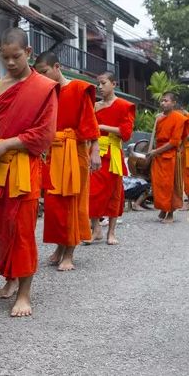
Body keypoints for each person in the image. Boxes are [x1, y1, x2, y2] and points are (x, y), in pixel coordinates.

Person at [0, 27, 58, 317]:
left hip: (24, 167)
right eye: (5, 58)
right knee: (2, 228)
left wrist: (9, 144)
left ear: (28, 53)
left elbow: (45, 134)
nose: (11, 63)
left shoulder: (43, 88)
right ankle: (10, 278)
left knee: (22, 229)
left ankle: (25, 293)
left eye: (16, 57)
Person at [34, 51, 100, 271]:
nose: (42, 77)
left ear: (57, 67)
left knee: (73, 201)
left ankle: (69, 252)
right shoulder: (46, 92)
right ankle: (60, 247)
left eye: (44, 72)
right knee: (54, 203)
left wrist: (95, 150)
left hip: (75, 150)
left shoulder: (79, 88)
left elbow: (90, 122)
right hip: (54, 151)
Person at [88, 71, 135, 245]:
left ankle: (111, 232)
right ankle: (96, 228)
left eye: (103, 83)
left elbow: (126, 132)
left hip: (113, 151)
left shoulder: (124, 106)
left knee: (114, 193)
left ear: (114, 84)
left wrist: (102, 126)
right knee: (91, 192)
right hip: (94, 151)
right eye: (98, 84)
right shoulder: (94, 106)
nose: (100, 87)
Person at [147, 92, 188, 223]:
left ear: (174, 103)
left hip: (171, 156)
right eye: (162, 101)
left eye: (166, 101)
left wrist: (156, 151)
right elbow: (157, 137)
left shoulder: (179, 118)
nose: (163, 103)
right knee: (159, 184)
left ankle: (170, 213)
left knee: (171, 185)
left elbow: (174, 142)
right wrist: (153, 151)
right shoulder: (159, 118)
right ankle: (163, 208)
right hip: (159, 155)